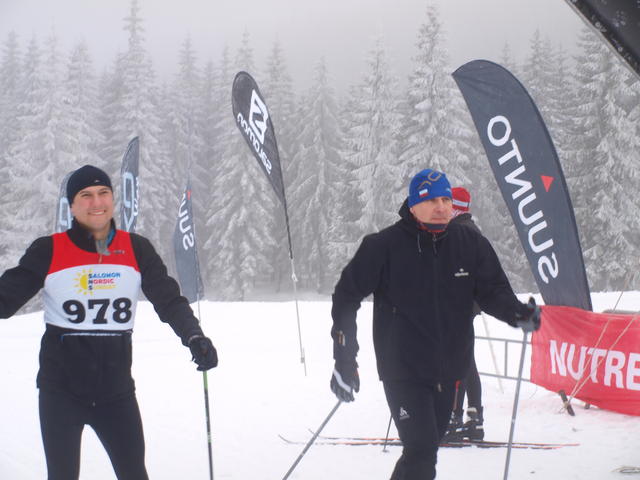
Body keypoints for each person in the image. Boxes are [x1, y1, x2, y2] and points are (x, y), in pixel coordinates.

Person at [0, 165, 218, 480]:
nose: (96, 202)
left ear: (112, 199)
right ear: (72, 206)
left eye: (103, 193)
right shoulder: (49, 250)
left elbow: (169, 300)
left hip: (116, 393)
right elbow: (5, 300)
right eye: (85, 195)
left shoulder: (136, 248)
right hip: (61, 393)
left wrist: (194, 335)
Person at [329, 168, 540, 480]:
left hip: (449, 370)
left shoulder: (470, 243)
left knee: (423, 450)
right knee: (422, 450)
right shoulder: (383, 246)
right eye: (431, 200)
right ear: (413, 205)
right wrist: (344, 359)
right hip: (403, 370)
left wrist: (518, 313)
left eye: (446, 200)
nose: (441, 207)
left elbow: (493, 291)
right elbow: (346, 297)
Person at [443, 186, 484, 442]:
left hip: (458, 308)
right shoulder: (466, 229)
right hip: (463, 307)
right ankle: (474, 418)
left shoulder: (460, 232)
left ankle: (454, 418)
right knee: (467, 363)